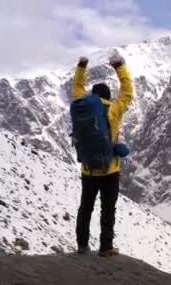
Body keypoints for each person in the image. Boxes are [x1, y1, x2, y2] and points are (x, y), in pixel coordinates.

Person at [73, 52, 133, 256]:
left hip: (88, 169)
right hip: (110, 170)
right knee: (108, 209)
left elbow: (77, 88)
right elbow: (127, 92)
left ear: (93, 97)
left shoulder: (82, 106)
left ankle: (82, 245)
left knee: (85, 207)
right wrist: (119, 67)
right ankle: (106, 247)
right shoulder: (113, 110)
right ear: (107, 96)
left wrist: (82, 66)